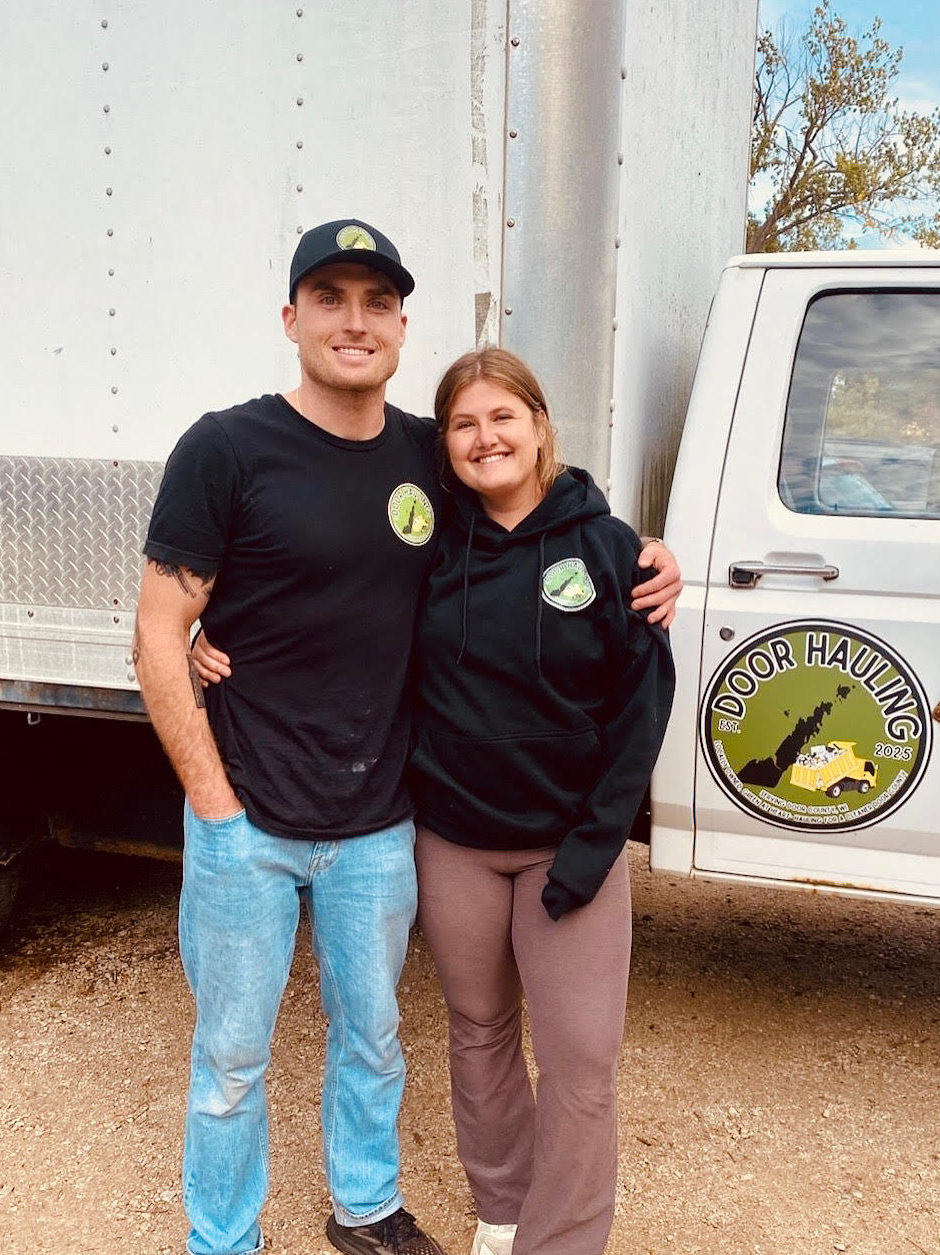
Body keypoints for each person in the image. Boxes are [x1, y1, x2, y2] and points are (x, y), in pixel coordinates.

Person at [135, 219, 681, 1255]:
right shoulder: (228, 446)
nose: (354, 321)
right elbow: (159, 629)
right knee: (234, 1059)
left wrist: (640, 552)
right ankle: (222, 1239)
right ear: (291, 318)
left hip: (382, 821)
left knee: (375, 1041)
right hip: (246, 813)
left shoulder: (426, 458)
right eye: (330, 299)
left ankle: (368, 1206)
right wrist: (212, 793)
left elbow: (539, 496)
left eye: (376, 302)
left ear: (399, 325)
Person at [410, 350, 675, 1255]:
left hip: (571, 848)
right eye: (464, 423)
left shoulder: (609, 548)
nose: (486, 438)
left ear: (538, 421)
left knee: (580, 1062)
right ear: (444, 443)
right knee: (480, 1029)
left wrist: (592, 852)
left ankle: (561, 1242)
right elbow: (328, 602)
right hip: (458, 842)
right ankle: (505, 1210)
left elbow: (642, 711)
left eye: (502, 417)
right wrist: (214, 627)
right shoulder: (431, 541)